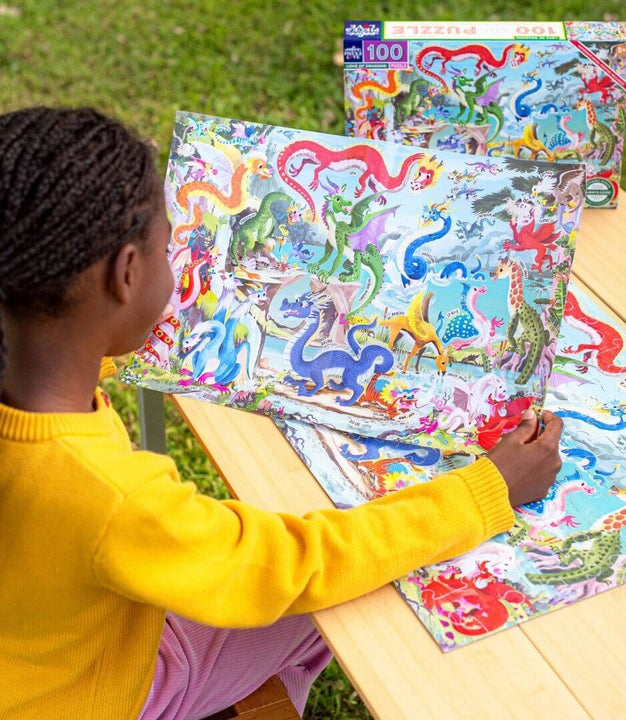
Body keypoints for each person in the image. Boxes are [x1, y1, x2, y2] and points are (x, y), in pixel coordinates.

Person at [0, 107, 563, 720]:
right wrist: (485, 492)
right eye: (170, 248)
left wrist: (121, 352)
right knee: (345, 600)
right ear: (127, 274)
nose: (180, 265)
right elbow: (283, 565)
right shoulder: (113, 499)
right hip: (93, 693)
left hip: (32, 659)